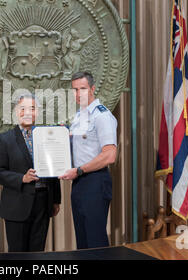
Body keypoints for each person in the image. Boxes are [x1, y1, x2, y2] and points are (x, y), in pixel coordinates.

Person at [0, 94, 61, 252]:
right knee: (17, 254)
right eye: (23, 108)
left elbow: (53, 168)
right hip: (17, 204)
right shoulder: (5, 139)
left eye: (32, 108)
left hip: (43, 203)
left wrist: (56, 199)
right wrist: (22, 178)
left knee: (38, 252)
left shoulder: (47, 136)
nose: (28, 112)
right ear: (16, 111)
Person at [59, 71, 117, 249]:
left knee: (95, 241)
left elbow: (110, 155)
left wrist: (80, 170)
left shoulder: (102, 116)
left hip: (95, 182)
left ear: (92, 89)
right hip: (79, 182)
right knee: (83, 242)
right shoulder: (79, 116)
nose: (78, 94)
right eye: (75, 90)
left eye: (82, 89)